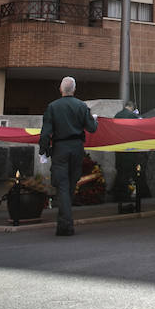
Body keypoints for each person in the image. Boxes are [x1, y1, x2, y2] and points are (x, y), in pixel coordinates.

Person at [37, 77, 97, 236]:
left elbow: (45, 133)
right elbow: (92, 128)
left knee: (63, 186)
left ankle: (65, 226)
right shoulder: (81, 106)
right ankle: (64, 223)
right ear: (74, 90)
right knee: (70, 185)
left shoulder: (53, 107)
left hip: (60, 149)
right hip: (77, 148)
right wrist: (93, 118)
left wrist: (43, 150)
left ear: (60, 89)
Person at [112, 101, 148, 201]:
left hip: (119, 149)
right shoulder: (132, 115)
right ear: (132, 107)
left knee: (120, 173)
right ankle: (125, 196)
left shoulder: (117, 115)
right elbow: (140, 128)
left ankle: (118, 195)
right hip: (129, 150)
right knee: (128, 174)